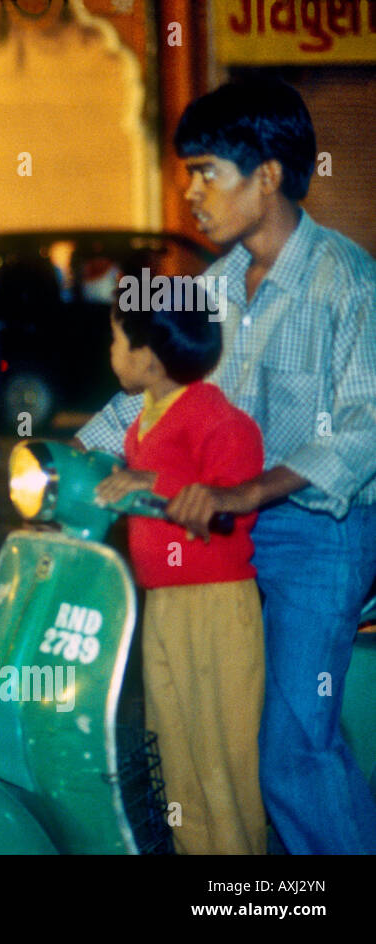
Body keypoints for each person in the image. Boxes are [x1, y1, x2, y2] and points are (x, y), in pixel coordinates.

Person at [75, 80, 376, 854]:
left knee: (292, 749)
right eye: (187, 172)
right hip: (219, 539)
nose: (191, 191)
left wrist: (253, 486)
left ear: (268, 175)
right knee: (209, 733)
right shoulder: (206, 290)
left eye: (207, 170)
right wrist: (67, 459)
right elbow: (149, 394)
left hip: (319, 536)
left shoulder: (347, 283)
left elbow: (363, 426)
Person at [94, 297, 266, 855]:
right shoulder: (142, 420)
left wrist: (149, 482)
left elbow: (226, 501)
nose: (111, 351)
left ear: (148, 356)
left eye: (118, 340)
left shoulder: (214, 415)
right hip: (163, 599)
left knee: (221, 748)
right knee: (173, 744)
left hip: (214, 602)